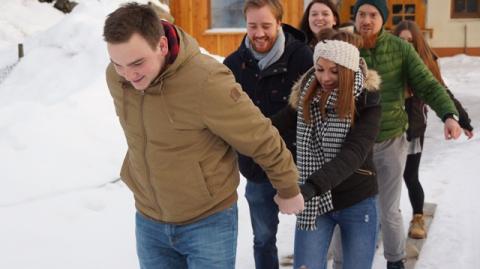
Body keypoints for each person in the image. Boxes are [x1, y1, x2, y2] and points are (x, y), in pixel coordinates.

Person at [102, 3, 304, 269]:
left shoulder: (206, 80)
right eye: (119, 64)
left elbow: (259, 135)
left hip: (207, 222)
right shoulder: (117, 79)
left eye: (137, 63)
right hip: (149, 219)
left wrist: (287, 187)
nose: (128, 75)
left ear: (162, 46)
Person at [348, 1, 463, 268]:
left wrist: (449, 114)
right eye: (361, 14)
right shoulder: (346, 47)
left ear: (383, 18)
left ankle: (395, 260)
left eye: (373, 15)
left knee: (389, 209)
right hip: (352, 143)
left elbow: (427, 83)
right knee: (352, 207)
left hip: (390, 139)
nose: (366, 20)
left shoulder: (400, 48)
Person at [272, 29, 382, 269]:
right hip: (315, 205)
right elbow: (271, 127)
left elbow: (354, 153)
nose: (326, 78)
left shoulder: (367, 102)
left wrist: (310, 187)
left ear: (349, 71)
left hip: (356, 199)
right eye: (320, 69)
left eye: (335, 71)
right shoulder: (306, 96)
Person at [223, 1, 313, 268]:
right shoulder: (233, 64)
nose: (259, 33)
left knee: (310, 232)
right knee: (263, 238)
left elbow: (310, 110)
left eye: (266, 26)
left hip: (301, 165)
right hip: (257, 168)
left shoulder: (302, 57)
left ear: (279, 23)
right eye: (253, 26)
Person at [392, 20, 474, 239]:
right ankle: (390, 215)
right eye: (401, 40)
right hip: (386, 130)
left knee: (410, 176)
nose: (406, 44)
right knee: (385, 178)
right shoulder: (386, 62)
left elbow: (442, 92)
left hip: (413, 128)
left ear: (418, 43)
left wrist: (461, 120)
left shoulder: (425, 64)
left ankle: (418, 216)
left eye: (410, 40)